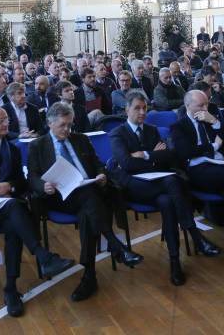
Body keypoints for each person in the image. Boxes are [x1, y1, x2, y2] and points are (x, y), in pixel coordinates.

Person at [0, 106, 75, 317]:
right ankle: (42, 256)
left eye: (6, 119)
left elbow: (21, 183)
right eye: (0, 121)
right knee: (16, 208)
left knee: (13, 223)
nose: (6, 123)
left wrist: (9, 186)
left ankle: (10, 289)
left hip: (6, 209)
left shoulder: (13, 149)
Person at [27, 102, 143, 302]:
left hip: (87, 192)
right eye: (63, 125)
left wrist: (100, 174)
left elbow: (97, 163)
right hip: (58, 196)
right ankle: (115, 245)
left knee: (87, 212)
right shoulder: (38, 145)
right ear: (50, 123)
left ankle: (90, 276)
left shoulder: (80, 139)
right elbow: (32, 176)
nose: (67, 130)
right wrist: (42, 186)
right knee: (89, 198)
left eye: (70, 125)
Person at [109, 91, 220, 286]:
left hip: (157, 185)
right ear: (126, 109)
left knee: (167, 202)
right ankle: (194, 234)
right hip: (134, 186)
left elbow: (169, 156)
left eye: (145, 108)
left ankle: (175, 262)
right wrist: (153, 157)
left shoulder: (151, 130)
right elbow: (126, 164)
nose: (142, 112)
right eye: (137, 108)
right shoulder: (117, 133)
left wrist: (143, 155)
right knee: (172, 182)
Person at [171, 90, 224, 270]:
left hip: (221, 167)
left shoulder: (209, 119)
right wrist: (214, 146)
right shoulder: (179, 126)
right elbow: (186, 152)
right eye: (200, 105)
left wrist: (215, 122)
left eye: (207, 104)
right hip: (198, 171)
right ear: (188, 106)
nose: (205, 108)